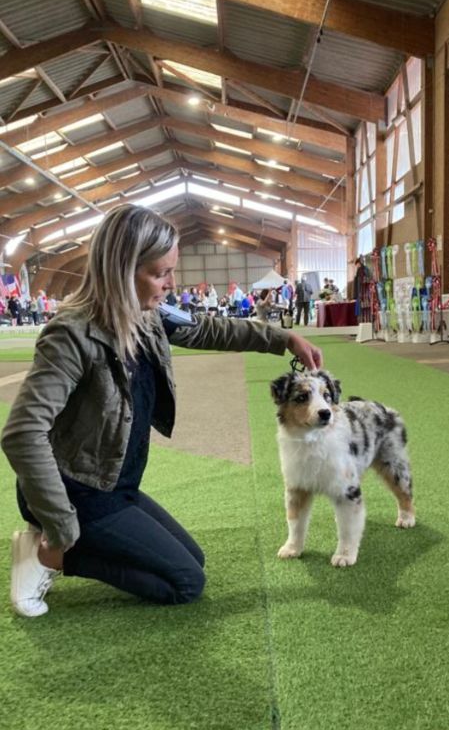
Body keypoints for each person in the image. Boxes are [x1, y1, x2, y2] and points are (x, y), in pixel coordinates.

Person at [1, 205, 323, 619]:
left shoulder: (149, 313)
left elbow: (208, 328)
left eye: (172, 271)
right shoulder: (69, 335)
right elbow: (22, 434)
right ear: (121, 270)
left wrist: (282, 338)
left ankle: (61, 540)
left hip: (117, 484)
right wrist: (62, 527)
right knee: (186, 583)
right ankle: (46, 555)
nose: (172, 284)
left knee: (193, 559)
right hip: (77, 491)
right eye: (160, 273)